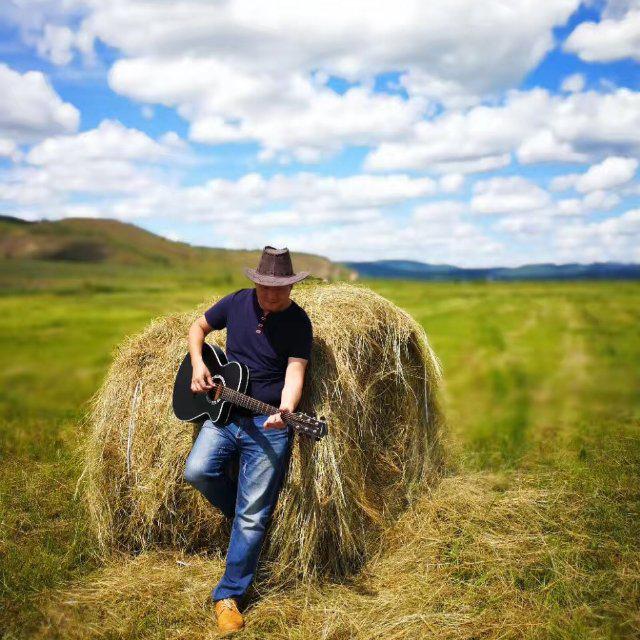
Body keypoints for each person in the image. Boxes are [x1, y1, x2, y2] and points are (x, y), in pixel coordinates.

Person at [183, 246, 313, 634]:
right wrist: (198, 363)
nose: (272, 295)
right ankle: (245, 523)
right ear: (255, 281)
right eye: (266, 287)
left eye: (280, 289)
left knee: (253, 516)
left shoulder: (299, 323)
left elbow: (295, 372)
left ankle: (229, 596)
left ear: (290, 286)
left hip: (267, 427)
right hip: (224, 416)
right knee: (197, 471)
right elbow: (197, 328)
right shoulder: (236, 303)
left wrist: (285, 410)